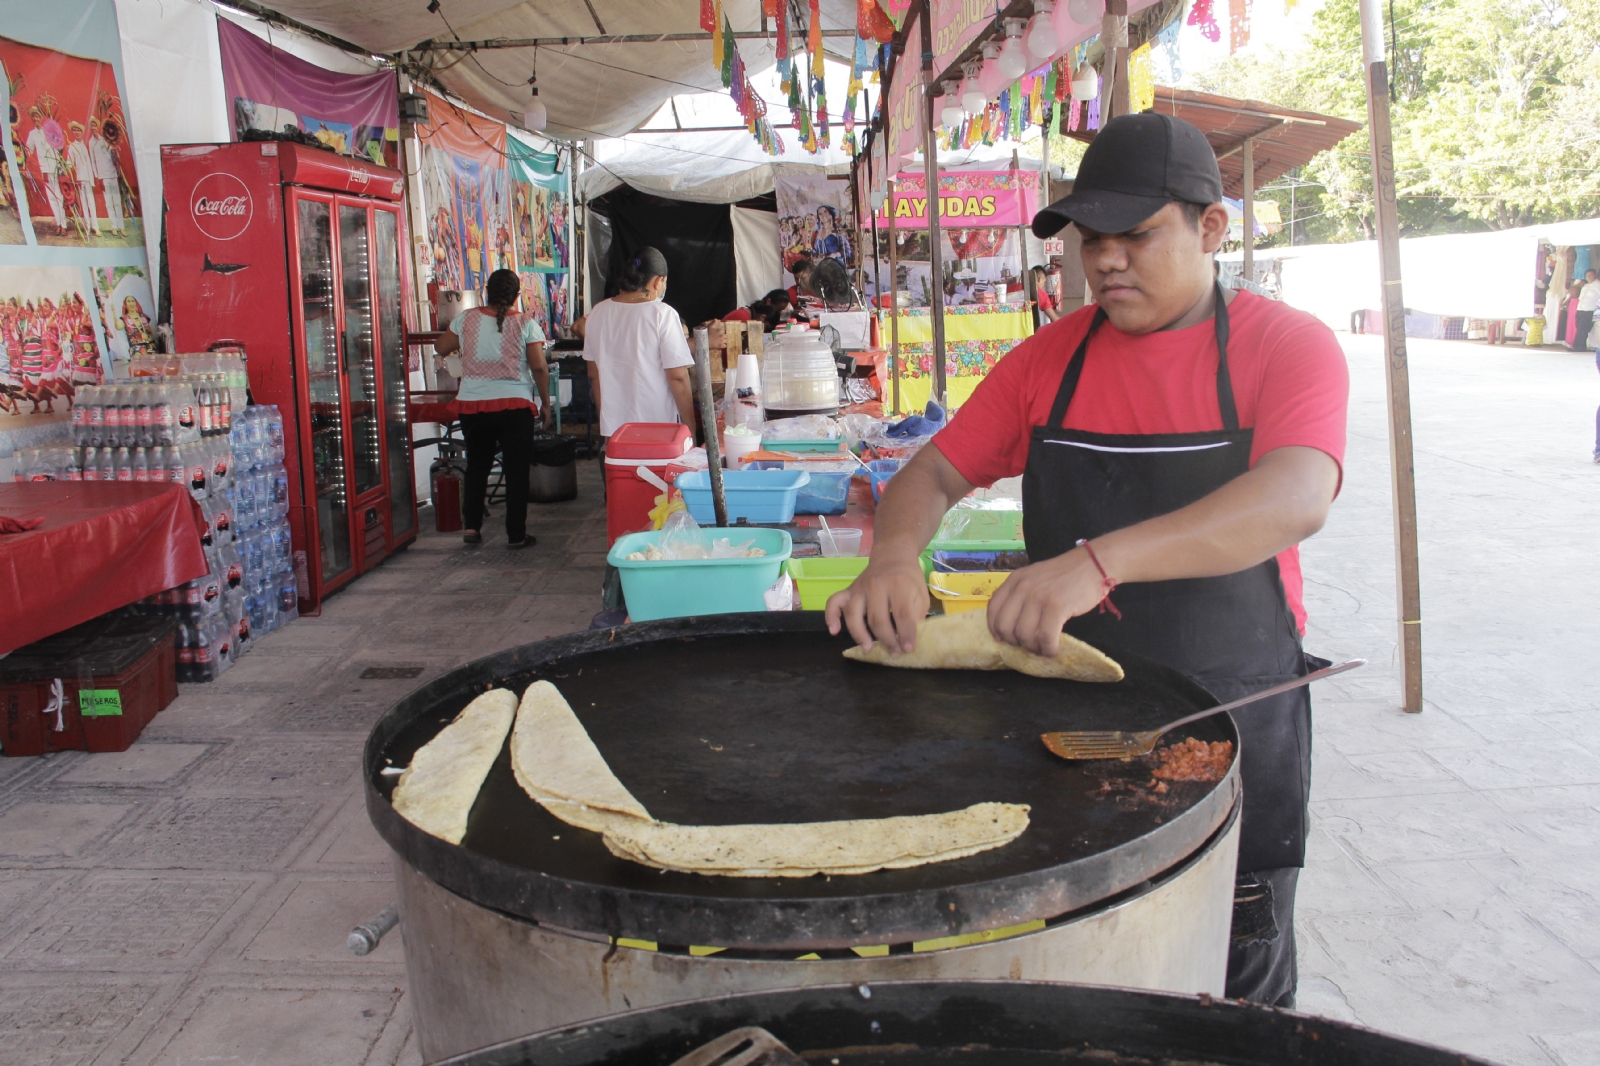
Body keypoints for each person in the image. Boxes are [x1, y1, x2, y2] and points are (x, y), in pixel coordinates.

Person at [824, 113, 1348, 1009]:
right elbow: (929, 475)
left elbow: (1296, 496)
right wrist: (895, 557)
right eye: (1091, 238)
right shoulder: (1045, 363)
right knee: (1085, 969)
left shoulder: (1285, 345)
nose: (1105, 260)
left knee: (1233, 977)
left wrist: (1098, 562)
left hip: (1233, 719)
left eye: (1136, 235)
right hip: (1071, 725)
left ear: (1211, 227)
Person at [432, 269, 551, 549]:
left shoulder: (466, 319)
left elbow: (440, 346)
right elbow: (538, 367)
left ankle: (472, 527)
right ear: (517, 296)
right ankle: (516, 535)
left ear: (486, 291)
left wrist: (463, 346)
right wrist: (545, 402)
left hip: (473, 406)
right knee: (516, 471)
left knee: (477, 466)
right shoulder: (526, 324)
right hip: (515, 407)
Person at [582, 247, 696, 439]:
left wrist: (607, 425)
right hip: (659, 431)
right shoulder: (663, 314)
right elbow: (678, 377)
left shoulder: (597, 313)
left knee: (621, 470)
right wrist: (690, 430)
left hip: (616, 433)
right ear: (659, 281)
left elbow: (594, 376)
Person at [24, 109, 66, 236]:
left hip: (56, 168)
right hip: (45, 170)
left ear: (41, 117)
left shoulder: (49, 131)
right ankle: (58, 224)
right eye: (34, 117)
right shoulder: (32, 134)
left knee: (59, 196)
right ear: (32, 119)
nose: (36, 119)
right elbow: (28, 149)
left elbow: (59, 146)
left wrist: (61, 167)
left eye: (38, 116)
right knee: (52, 198)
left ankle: (63, 225)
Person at [87, 119, 123, 237]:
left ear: (98, 126)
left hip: (113, 175)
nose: (93, 127)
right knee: (109, 203)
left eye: (95, 125)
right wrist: (98, 178)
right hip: (103, 177)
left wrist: (116, 161)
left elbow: (114, 154)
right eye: (91, 125)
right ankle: (114, 227)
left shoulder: (106, 139)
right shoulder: (91, 143)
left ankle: (121, 227)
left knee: (117, 202)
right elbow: (92, 161)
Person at [64, 122, 97, 236]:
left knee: (91, 203)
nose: (77, 132)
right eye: (75, 130)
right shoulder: (72, 147)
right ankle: (87, 226)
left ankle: (95, 226)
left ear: (82, 132)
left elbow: (89, 163)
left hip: (88, 179)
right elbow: (69, 162)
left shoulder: (84, 145)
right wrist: (64, 166)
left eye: (79, 130)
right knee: (84, 203)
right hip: (80, 179)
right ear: (72, 132)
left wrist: (92, 180)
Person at [1572, 269, 1599, 352]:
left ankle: (1578, 346)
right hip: (1580, 309)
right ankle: (1581, 346)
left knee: (1582, 328)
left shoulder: (1598, 285)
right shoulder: (1585, 286)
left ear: (1595, 275)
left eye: (1591, 275)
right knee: (1580, 328)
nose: (1589, 277)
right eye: (1587, 275)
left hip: (1589, 310)